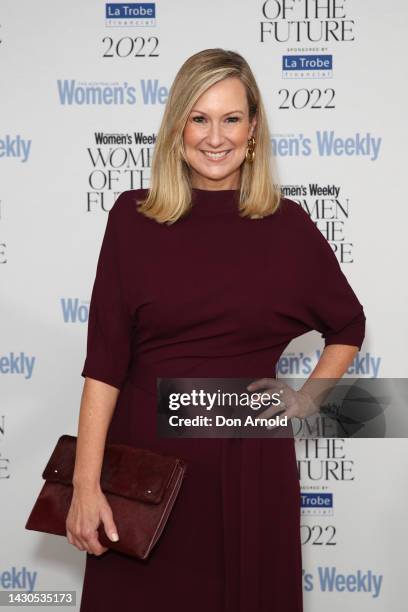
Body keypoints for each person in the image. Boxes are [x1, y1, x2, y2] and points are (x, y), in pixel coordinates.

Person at [67, 48, 366, 612]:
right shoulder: (132, 218)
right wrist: (86, 486)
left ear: (253, 129)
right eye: (199, 118)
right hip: (142, 474)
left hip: (249, 472)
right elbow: (104, 363)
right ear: (177, 125)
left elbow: (348, 323)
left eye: (231, 118)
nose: (215, 137)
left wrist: (304, 400)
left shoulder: (288, 226)